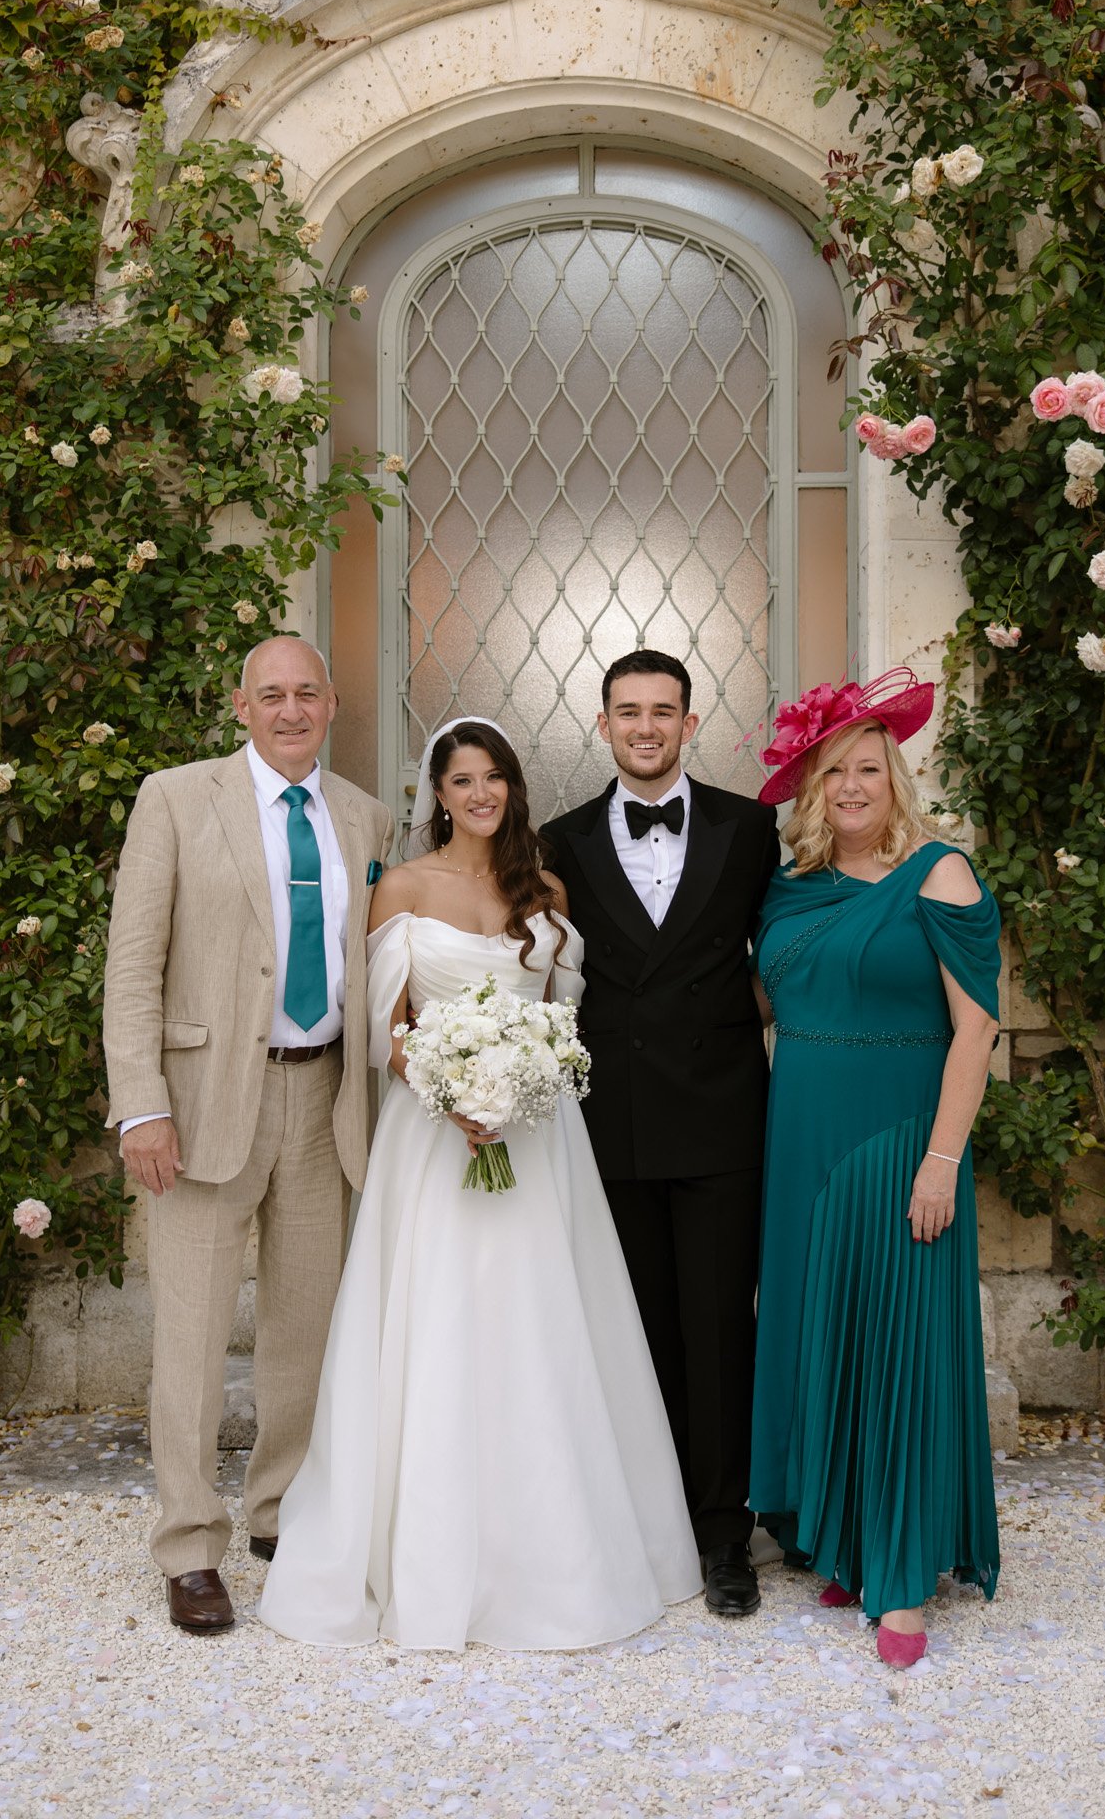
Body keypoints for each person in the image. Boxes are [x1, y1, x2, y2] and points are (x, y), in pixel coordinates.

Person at [260, 718, 701, 1649]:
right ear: (438, 793)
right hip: (434, 1138)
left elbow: (562, 1019)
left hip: (540, 1140)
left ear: (512, 787)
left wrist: (521, 1083)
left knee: (544, 1323)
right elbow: (385, 1030)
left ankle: (563, 1547)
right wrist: (455, 1092)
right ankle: (426, 1554)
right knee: (442, 1321)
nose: (480, 794)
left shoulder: (543, 888)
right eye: (462, 780)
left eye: (494, 777)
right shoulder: (403, 888)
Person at [102, 637, 394, 1634]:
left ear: (333, 701)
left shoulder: (365, 817)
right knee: (189, 1335)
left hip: (321, 1101)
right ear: (241, 705)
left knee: (303, 1330)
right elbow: (133, 963)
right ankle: (189, 1543)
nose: (290, 708)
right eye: (270, 693)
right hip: (200, 1104)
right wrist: (140, 1102)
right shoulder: (176, 799)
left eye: (307, 690)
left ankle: (279, 1511)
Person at [748, 669, 1002, 1669]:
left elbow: (975, 1026)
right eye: (831, 770)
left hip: (900, 1135)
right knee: (827, 1334)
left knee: (898, 1340)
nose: (850, 784)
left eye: (867, 766)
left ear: (894, 775)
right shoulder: (788, 887)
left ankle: (900, 1578)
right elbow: (760, 1007)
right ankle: (847, 1536)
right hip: (800, 1134)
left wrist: (941, 1158)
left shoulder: (941, 872)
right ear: (810, 788)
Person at [539, 653, 781, 1617]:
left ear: (691, 723)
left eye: (663, 712)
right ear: (601, 724)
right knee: (633, 1330)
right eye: (627, 712)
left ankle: (725, 1534)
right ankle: (643, 1527)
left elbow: (791, 950)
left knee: (722, 1328)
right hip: (610, 1122)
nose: (645, 727)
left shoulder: (752, 828)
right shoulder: (555, 840)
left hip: (723, 1117)